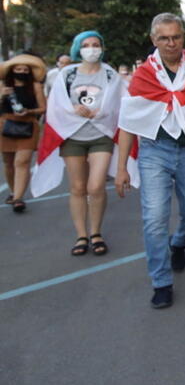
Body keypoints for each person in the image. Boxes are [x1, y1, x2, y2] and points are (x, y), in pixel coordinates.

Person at [114, 13, 185, 309]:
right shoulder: (144, 75)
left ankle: (179, 242)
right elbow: (129, 121)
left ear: (183, 36)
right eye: (164, 38)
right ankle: (161, 281)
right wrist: (122, 167)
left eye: (176, 36)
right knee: (154, 219)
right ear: (154, 40)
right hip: (154, 151)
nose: (171, 43)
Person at [31, 31, 131, 257]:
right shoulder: (66, 74)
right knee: (77, 187)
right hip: (72, 136)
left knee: (95, 186)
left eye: (96, 44)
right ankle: (81, 235)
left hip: (101, 135)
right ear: (78, 48)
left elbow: (121, 104)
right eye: (86, 45)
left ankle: (96, 232)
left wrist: (102, 111)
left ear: (102, 48)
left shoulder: (110, 75)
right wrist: (73, 109)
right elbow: (55, 105)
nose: (92, 48)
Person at [0, 53, 46, 212]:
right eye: (18, 68)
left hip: (27, 125)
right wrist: (2, 95)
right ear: (12, 70)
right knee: (9, 162)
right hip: (5, 124)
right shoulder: (3, 86)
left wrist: (29, 111)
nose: (22, 71)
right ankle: (13, 192)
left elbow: (43, 108)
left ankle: (18, 198)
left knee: (22, 161)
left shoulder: (35, 86)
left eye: (25, 69)